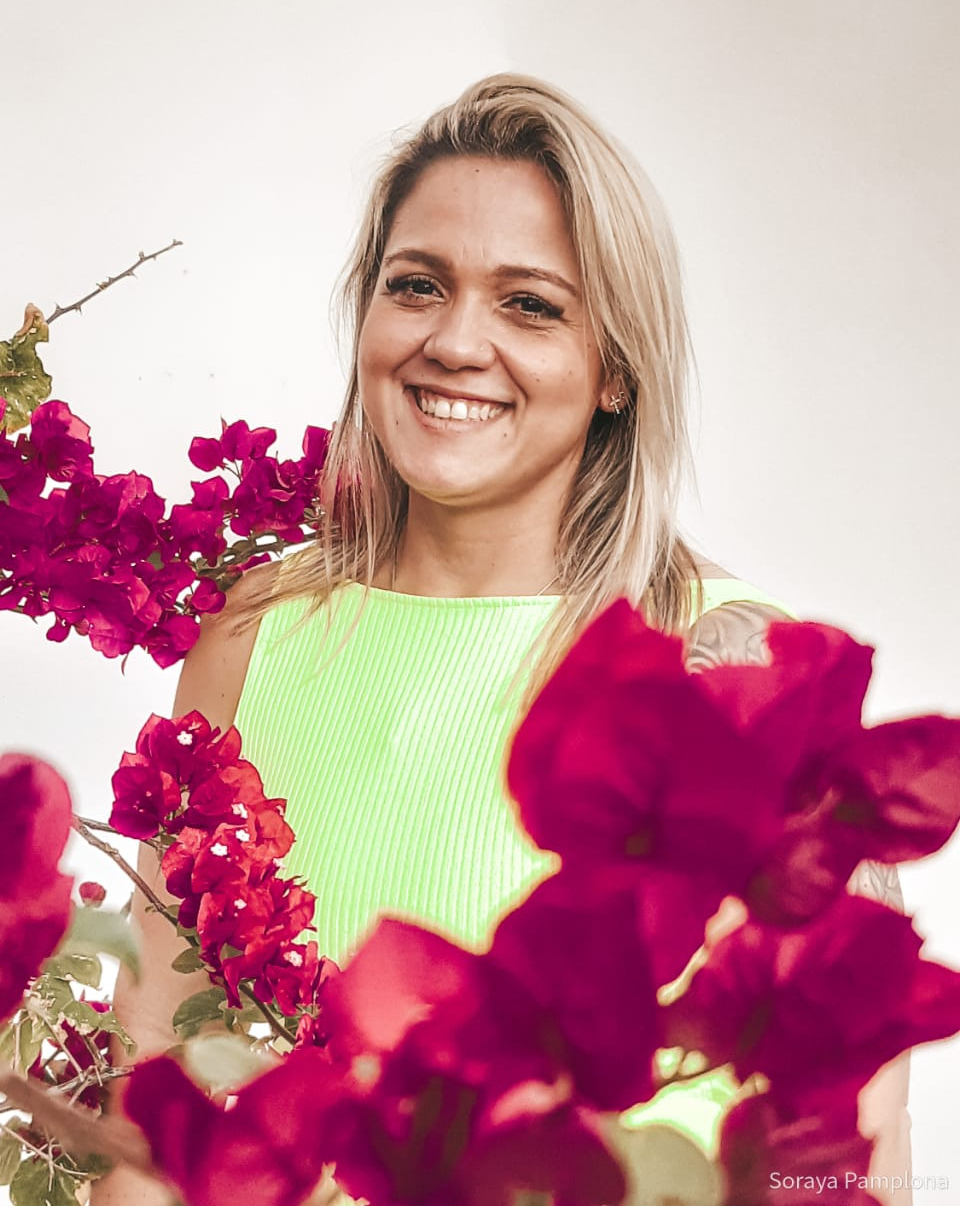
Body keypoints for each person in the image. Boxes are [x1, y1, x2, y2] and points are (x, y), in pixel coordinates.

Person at [98, 74, 910, 1205]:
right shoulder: (249, 639)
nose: (455, 341)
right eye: (416, 285)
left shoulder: (739, 668)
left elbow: (848, 1134)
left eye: (529, 304)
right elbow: (152, 1061)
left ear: (615, 366)